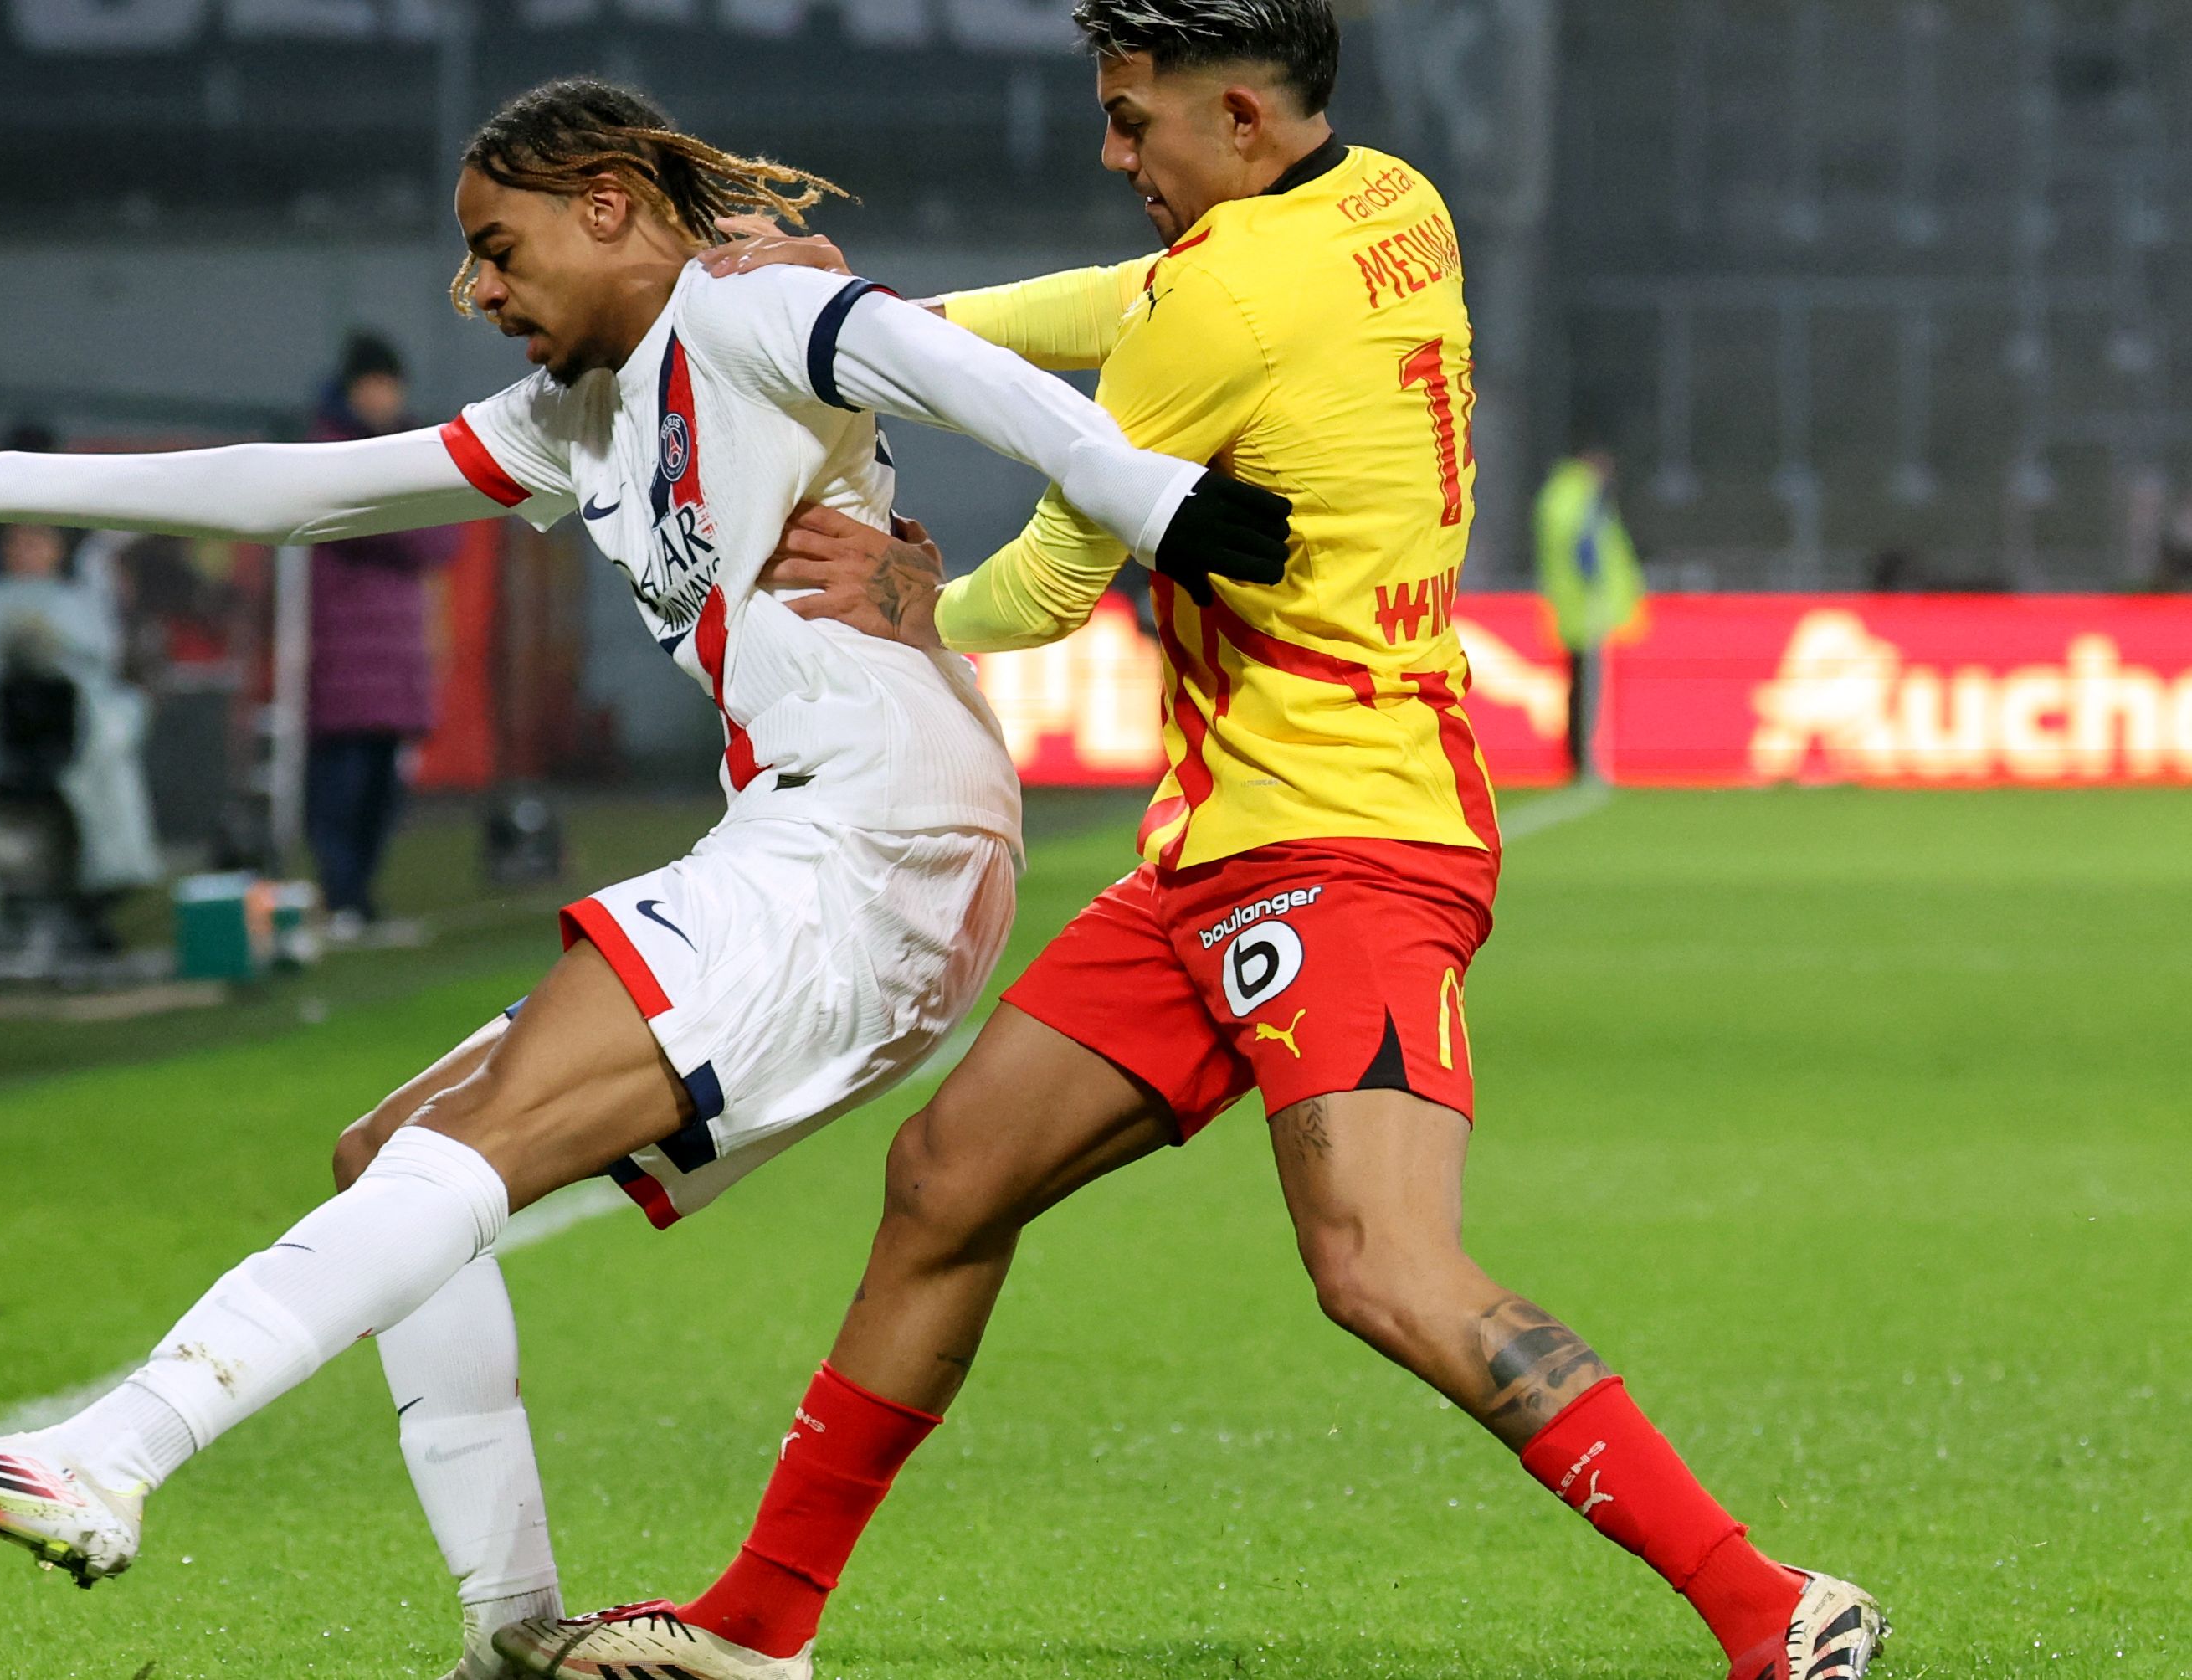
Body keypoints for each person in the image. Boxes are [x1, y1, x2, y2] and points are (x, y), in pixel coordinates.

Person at [0, 77, 1290, 1680]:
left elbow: (965, 377)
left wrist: (1166, 507)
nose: (480, 289)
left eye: (498, 249)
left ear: (604, 205)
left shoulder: (751, 311)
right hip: (815, 845)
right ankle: (512, 1634)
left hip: (874, 831)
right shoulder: (575, 414)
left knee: (468, 1148)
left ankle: (106, 1456)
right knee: (393, 1157)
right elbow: (299, 489)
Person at [503, 9, 1887, 1680]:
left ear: (1233, 114)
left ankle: (1771, 1606)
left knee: (1382, 1265)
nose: (1112, 155)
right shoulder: (1387, 202)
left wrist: (913, 597)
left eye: (1126, 120)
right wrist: (863, 320)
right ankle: (755, 1628)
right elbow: (1123, 303)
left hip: (1343, 842)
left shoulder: (1215, 306)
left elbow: (1055, 577)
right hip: (1224, 843)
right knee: (947, 1177)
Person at [0, 519, 162, 906]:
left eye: (37, 543)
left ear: (57, 550)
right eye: (17, 543)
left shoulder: (79, 604)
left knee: (110, 747)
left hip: (74, 722)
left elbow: (101, 665)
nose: (26, 553)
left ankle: (107, 873)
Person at [305, 331, 461, 944]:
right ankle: (338, 895)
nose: (384, 397)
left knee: (382, 788)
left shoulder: (407, 448)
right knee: (340, 783)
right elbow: (374, 524)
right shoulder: (327, 451)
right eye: (373, 385)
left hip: (396, 656)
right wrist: (410, 511)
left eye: (390, 386)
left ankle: (361, 898)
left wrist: (403, 514)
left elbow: (443, 535)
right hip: (342, 654)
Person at [1533, 448, 1644, 780]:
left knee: (1583, 686)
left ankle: (1582, 759)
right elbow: (1581, 545)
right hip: (1584, 606)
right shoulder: (1577, 497)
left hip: (1577, 606)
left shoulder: (1564, 495)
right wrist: (1591, 573)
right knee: (1585, 688)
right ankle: (1582, 760)